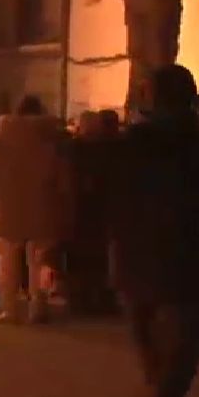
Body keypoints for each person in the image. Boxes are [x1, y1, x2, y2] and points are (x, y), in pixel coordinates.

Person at [106, 64, 199, 397]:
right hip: (180, 267)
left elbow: (106, 204)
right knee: (174, 366)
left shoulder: (129, 146)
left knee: (162, 366)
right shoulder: (141, 145)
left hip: (138, 266)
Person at [0, 96, 70, 324]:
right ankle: (37, 307)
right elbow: (64, 181)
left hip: (7, 211)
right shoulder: (51, 140)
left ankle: (9, 309)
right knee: (38, 264)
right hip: (43, 211)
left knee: (8, 266)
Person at [68, 111, 118, 316]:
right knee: (100, 258)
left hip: (79, 209)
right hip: (101, 210)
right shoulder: (109, 149)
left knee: (81, 259)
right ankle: (102, 299)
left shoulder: (73, 149)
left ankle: (80, 300)